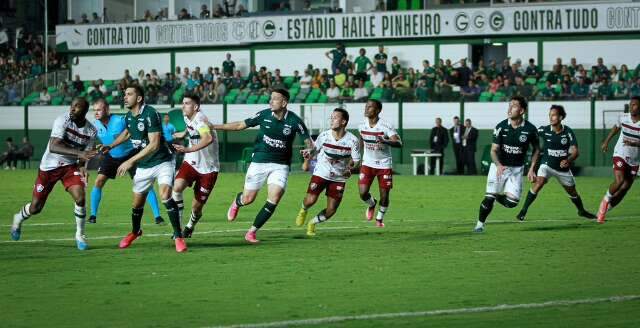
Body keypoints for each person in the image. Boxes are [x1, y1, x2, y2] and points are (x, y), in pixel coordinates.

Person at [212, 89, 313, 243]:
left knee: (275, 197)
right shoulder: (264, 115)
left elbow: (308, 142)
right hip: (259, 161)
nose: (270, 101)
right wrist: (214, 126)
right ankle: (238, 201)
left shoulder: (295, 121)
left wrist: (309, 151)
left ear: (284, 103)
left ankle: (252, 232)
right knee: (248, 199)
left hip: (281, 165)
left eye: (275, 99)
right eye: (270, 98)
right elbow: (240, 125)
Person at [103, 86, 187, 252]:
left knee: (165, 195)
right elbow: (127, 132)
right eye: (124, 95)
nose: (125, 97)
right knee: (137, 203)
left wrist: (130, 161)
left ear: (139, 98)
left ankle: (178, 236)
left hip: (163, 161)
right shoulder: (129, 116)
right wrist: (110, 146)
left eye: (129, 94)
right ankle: (135, 232)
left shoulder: (150, 113)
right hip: (144, 165)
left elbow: (154, 144)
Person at [10, 97, 98, 250]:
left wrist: (83, 167)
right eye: (72, 105)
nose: (72, 108)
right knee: (36, 208)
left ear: (84, 110)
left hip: (69, 167)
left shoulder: (91, 131)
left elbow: (86, 155)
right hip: (49, 167)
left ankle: (80, 235)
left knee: (80, 197)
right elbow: (54, 146)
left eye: (77, 106)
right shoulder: (62, 120)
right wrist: (79, 154)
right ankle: (18, 218)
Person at [89, 98, 164, 225]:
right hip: (111, 155)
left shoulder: (120, 120)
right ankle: (92, 216)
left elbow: (133, 130)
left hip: (130, 155)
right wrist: (95, 148)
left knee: (144, 182)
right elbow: (91, 141)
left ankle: (158, 216)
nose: (96, 112)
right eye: (94, 110)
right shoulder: (95, 125)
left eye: (99, 110)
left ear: (107, 109)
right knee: (98, 181)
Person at [516, 105, 596, 221]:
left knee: (572, 191)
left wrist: (568, 160)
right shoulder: (544, 130)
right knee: (539, 182)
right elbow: (530, 135)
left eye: (553, 115)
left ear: (560, 117)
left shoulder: (568, 132)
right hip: (546, 165)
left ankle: (581, 211)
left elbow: (575, 152)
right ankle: (523, 211)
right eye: (550, 115)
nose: (551, 117)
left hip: (562, 169)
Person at [473, 96, 540, 233]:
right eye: (509, 105)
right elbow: (493, 151)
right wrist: (498, 165)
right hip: (499, 167)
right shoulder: (501, 127)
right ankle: (479, 224)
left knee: (512, 203)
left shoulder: (531, 129)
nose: (509, 108)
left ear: (521, 110)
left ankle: (494, 195)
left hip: (516, 169)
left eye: (514, 106)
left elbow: (537, 149)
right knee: (488, 198)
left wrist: (532, 168)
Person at [295, 108, 360, 236]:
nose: (331, 120)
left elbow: (356, 160)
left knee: (331, 209)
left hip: (339, 177)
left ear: (343, 122)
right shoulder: (324, 135)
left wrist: (349, 168)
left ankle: (312, 223)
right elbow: (314, 149)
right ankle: (303, 209)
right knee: (311, 200)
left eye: (335, 118)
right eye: (331, 117)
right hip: (321, 172)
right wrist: (309, 152)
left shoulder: (352, 140)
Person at [171, 94, 219, 238]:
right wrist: (183, 134)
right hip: (191, 162)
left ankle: (190, 225)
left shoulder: (201, 120)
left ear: (196, 107)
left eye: (186, 103)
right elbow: (189, 127)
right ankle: (177, 229)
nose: (183, 106)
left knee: (196, 208)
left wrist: (188, 149)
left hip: (209, 168)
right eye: (183, 103)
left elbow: (208, 138)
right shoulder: (187, 117)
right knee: (177, 188)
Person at [358, 100, 402, 227]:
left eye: (370, 107)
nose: (366, 109)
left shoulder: (386, 126)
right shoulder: (361, 125)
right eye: (366, 106)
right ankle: (372, 204)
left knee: (384, 195)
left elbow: (399, 143)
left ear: (377, 110)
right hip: (368, 163)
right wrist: (355, 156)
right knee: (362, 193)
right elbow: (361, 138)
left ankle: (379, 219)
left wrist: (386, 141)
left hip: (384, 164)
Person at [596, 96, 640, 223]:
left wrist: (635, 144)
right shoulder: (623, 117)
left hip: (635, 159)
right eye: (631, 104)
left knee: (625, 188)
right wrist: (606, 141)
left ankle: (605, 210)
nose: (632, 107)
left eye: (635, 105)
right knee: (619, 181)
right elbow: (616, 127)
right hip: (620, 153)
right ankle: (605, 200)